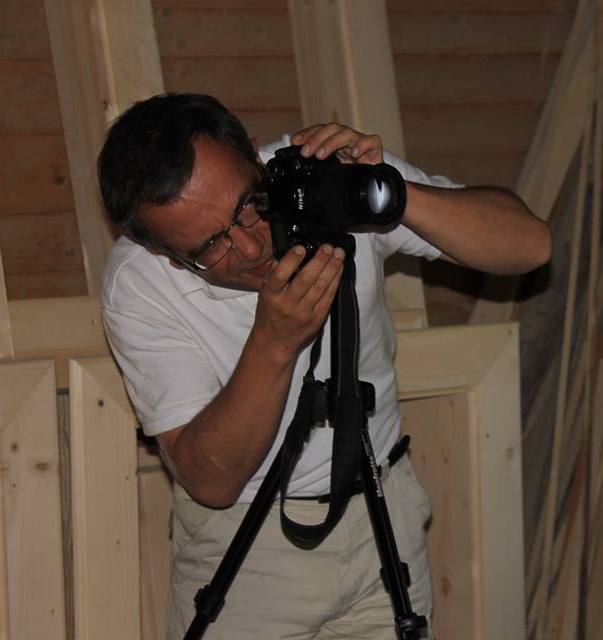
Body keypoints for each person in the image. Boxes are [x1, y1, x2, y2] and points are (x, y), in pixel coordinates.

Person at [96, 92, 550, 639]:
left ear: (259, 163)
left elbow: (530, 246)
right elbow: (210, 479)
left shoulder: (319, 177)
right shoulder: (139, 284)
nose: (248, 246)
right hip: (245, 548)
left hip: (381, 512)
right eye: (210, 245)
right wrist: (274, 341)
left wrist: (386, 193)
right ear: (165, 254)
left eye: (249, 204)